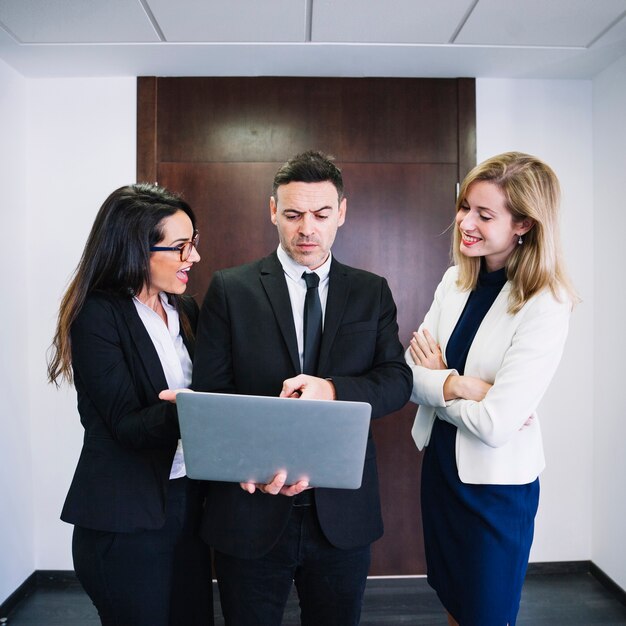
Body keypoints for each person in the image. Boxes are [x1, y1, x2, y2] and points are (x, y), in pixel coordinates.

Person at [191, 150, 412, 625]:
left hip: (341, 516)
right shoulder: (230, 289)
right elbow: (213, 391)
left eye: (320, 214)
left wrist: (332, 389)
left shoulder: (371, 291)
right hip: (249, 506)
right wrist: (245, 461)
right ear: (273, 211)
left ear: (342, 213)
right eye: (292, 214)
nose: (306, 228)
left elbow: (396, 381)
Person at [406, 152, 577, 626]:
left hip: (495, 491)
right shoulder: (455, 281)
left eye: (484, 214)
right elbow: (409, 372)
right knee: (455, 604)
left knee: (486, 612)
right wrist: (464, 385)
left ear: (523, 223)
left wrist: (441, 384)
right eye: (465, 208)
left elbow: (498, 425)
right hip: (442, 471)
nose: (465, 222)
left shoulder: (546, 304)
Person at [47, 184, 214, 626]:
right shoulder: (98, 316)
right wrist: (197, 409)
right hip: (123, 518)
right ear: (136, 249)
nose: (193, 258)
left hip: (187, 506)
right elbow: (127, 425)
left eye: (194, 243)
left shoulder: (187, 310)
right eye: (180, 247)